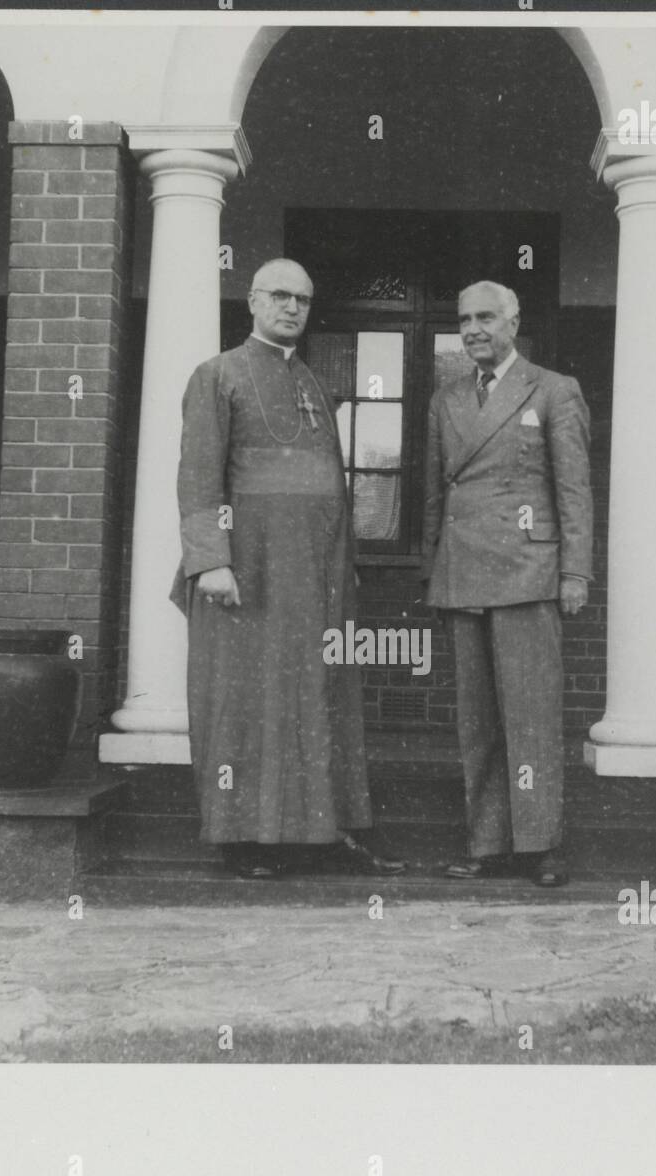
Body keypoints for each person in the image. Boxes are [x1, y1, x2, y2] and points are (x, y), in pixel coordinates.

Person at [169, 258, 403, 880]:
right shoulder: (216, 375)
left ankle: (321, 832)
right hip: (249, 569)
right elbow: (199, 478)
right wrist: (212, 561)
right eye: (279, 295)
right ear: (252, 300)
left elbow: (334, 486)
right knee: (248, 699)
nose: (292, 307)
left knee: (319, 695)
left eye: (302, 298)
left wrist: (343, 564)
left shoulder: (314, 383)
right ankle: (246, 838)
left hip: (317, 572)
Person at [421, 281, 593, 887]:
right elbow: (434, 496)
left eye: (486, 317)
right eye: (464, 317)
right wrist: (432, 569)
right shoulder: (445, 400)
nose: (473, 328)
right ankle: (489, 844)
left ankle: (541, 845)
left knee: (531, 714)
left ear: (513, 322)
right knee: (478, 719)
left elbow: (573, 490)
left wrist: (574, 571)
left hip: (527, 571)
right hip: (464, 573)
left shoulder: (553, 390)